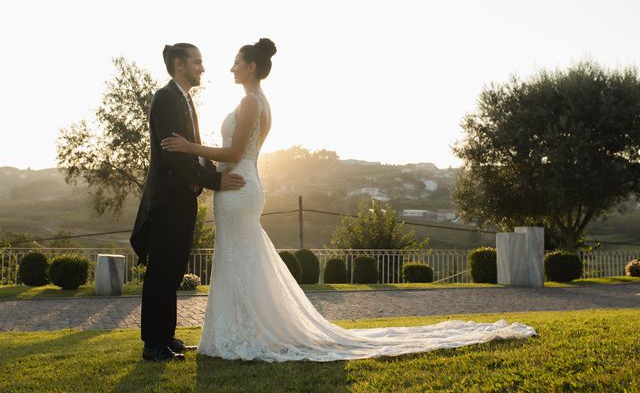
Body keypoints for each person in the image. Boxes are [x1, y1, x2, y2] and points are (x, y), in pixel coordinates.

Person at [161, 38, 537, 362]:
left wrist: (188, 146)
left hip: (238, 186)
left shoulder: (250, 104)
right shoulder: (261, 102)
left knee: (239, 257)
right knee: (241, 257)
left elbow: (236, 151)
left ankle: (245, 333)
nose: (230, 68)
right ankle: (241, 329)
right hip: (244, 184)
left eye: (236, 63)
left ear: (252, 66)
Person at [131, 43, 245, 362]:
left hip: (182, 200)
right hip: (167, 200)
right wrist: (217, 181)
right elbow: (174, 153)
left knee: (173, 270)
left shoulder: (184, 98)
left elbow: (191, 150)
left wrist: (216, 172)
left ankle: (165, 337)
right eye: (197, 62)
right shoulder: (166, 98)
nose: (202, 68)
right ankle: (153, 345)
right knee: (161, 272)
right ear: (179, 64)